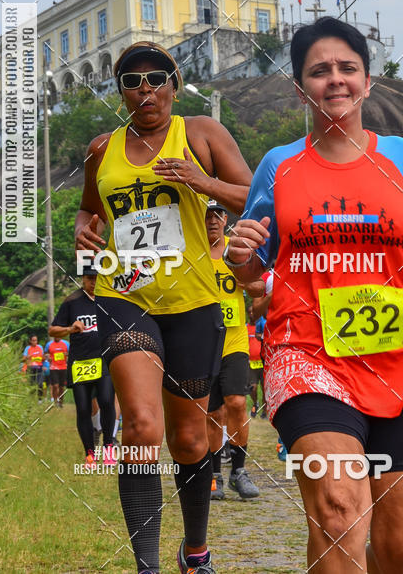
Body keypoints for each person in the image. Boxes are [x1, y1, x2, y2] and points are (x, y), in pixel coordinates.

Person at [225, 16, 403, 573]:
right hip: (308, 357)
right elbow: (254, 278)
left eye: (349, 68)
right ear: (301, 88)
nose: (335, 80)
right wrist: (241, 258)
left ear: (369, 82)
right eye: (320, 71)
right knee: (341, 509)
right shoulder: (278, 166)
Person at [75, 41, 252, 574]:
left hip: (194, 301)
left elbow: (258, 195)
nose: (146, 88)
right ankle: (146, 565)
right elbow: (88, 212)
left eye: (157, 77)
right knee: (141, 427)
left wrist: (200, 182)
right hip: (125, 293)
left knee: (189, 437)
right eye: (133, 80)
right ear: (121, 92)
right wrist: (85, 232)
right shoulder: (101, 149)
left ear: (174, 84)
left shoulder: (200, 133)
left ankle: (193, 549)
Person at [204, 199, 263, 501]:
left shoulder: (236, 249)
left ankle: (239, 470)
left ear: (225, 218)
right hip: (203, 343)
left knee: (237, 402)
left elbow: (258, 287)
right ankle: (214, 474)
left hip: (235, 341)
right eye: (207, 215)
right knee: (213, 412)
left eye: (218, 215)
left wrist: (241, 272)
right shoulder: (193, 252)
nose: (213, 220)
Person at [49, 263, 117, 467]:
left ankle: (108, 447)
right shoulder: (72, 302)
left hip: (103, 359)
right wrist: (71, 328)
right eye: (90, 279)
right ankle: (89, 454)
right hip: (80, 362)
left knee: (106, 401)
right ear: (83, 280)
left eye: (97, 278)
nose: (93, 283)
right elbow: (53, 330)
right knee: (84, 408)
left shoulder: (109, 299)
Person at [45, 335, 69, 407]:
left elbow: (71, 352)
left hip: (63, 367)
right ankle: (55, 402)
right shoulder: (49, 344)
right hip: (53, 368)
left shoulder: (66, 344)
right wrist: (48, 357)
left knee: (62, 387)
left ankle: (61, 402)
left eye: (58, 335)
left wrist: (67, 354)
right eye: (55, 335)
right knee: (55, 386)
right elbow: (45, 354)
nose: (57, 337)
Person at [23, 335, 44, 401]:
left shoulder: (40, 347)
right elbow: (23, 359)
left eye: (36, 340)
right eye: (33, 340)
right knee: (31, 385)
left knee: (40, 384)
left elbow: (42, 357)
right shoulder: (28, 348)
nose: (35, 342)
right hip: (30, 369)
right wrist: (27, 357)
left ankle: (40, 400)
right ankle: (31, 399)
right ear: (30, 341)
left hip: (39, 368)